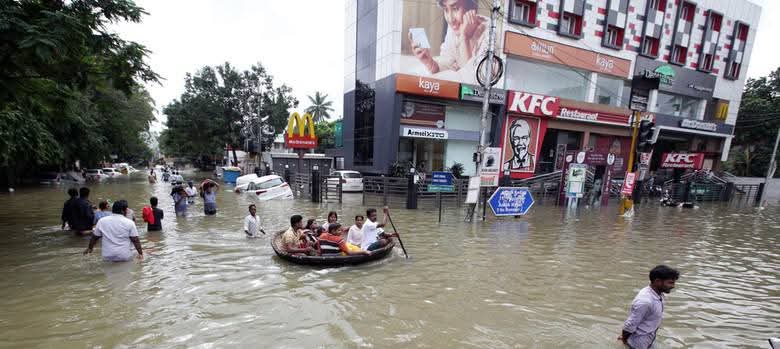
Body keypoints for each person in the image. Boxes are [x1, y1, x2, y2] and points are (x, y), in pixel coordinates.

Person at [408, 0, 487, 78]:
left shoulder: (489, 34)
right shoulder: (455, 28)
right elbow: (449, 62)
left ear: (471, 8)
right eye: (446, 9)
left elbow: (472, 82)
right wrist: (430, 63)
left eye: (455, 8)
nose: (450, 19)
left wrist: (464, 38)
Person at [619, 265, 680, 349]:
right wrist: (624, 340)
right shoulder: (645, 301)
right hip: (639, 344)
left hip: (649, 338)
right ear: (657, 281)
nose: (673, 286)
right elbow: (630, 325)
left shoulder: (658, 293)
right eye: (670, 282)